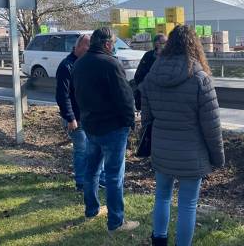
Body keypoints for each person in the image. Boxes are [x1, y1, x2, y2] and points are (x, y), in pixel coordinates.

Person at [141, 25, 225, 246]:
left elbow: (147, 118)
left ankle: (159, 241)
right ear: (194, 45)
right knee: (187, 204)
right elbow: (212, 125)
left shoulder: (152, 74)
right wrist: (218, 157)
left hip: (161, 150)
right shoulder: (200, 78)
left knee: (162, 197)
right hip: (191, 153)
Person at [72, 27, 139, 237]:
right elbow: (125, 97)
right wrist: (131, 122)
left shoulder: (79, 63)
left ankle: (91, 209)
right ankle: (116, 221)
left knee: (91, 171)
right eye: (114, 44)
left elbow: (76, 95)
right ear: (108, 44)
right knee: (113, 176)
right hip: (113, 128)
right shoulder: (111, 64)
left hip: (90, 125)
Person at [55, 34, 105, 191]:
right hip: (76, 117)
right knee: (81, 149)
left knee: (98, 148)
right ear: (77, 46)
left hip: (91, 116)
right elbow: (62, 95)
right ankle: (81, 182)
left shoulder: (89, 63)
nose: (89, 49)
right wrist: (70, 118)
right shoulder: (66, 66)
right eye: (87, 46)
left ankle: (99, 179)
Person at [133, 33, 167, 110]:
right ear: (156, 43)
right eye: (164, 43)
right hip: (149, 93)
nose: (166, 45)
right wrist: (143, 88)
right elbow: (139, 75)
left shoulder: (169, 57)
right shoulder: (148, 56)